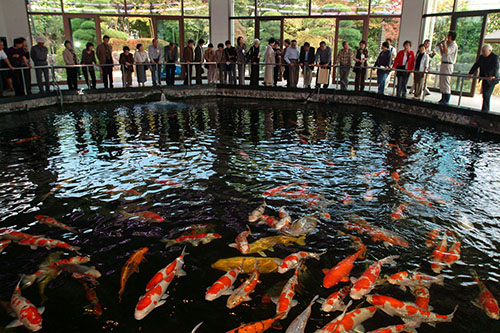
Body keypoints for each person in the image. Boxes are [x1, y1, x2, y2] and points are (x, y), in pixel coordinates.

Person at [468, 44, 499, 112]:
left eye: (484, 51)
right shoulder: (482, 57)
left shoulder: (495, 57)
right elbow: (476, 65)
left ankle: (485, 110)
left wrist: (494, 76)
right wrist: (471, 73)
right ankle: (484, 109)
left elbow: (496, 67)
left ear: (490, 51)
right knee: (484, 94)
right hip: (485, 77)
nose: (483, 53)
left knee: (487, 95)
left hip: (491, 79)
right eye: (482, 51)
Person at [437, 30, 458, 105]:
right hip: (443, 63)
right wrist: (440, 46)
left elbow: (446, 52)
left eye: (448, 36)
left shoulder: (453, 45)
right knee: (442, 82)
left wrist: (444, 43)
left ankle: (447, 98)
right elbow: (443, 53)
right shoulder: (448, 45)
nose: (447, 37)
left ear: (451, 37)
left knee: (446, 81)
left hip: (448, 64)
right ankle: (443, 97)